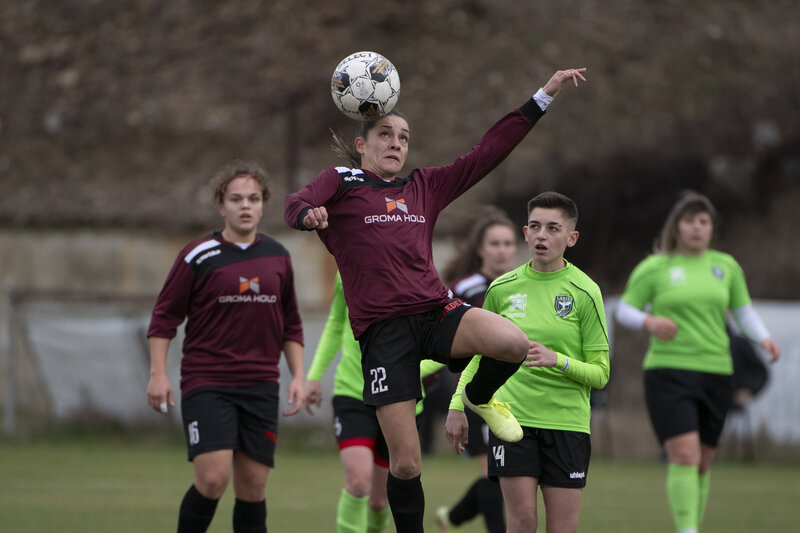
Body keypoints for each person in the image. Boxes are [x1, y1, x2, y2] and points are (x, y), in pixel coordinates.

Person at [284, 67, 586, 532]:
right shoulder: (341, 183)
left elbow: (487, 153)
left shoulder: (422, 186)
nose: (396, 143)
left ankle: (480, 397)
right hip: (384, 333)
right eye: (386, 134)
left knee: (512, 342)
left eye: (404, 137)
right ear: (362, 144)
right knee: (406, 464)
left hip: (435, 312)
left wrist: (542, 97)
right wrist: (308, 214)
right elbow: (295, 203)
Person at [147, 160, 306, 533]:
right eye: (236, 199)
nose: (245, 206)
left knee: (253, 487)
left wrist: (299, 376)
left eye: (253, 198)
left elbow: (291, 323)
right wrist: (157, 374)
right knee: (213, 479)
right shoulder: (198, 255)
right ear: (221, 205)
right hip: (208, 383)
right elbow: (164, 317)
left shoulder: (278, 257)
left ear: (263, 204)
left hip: (261, 386)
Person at [614, 190, 781, 533]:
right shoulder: (655, 267)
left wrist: (763, 337)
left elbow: (744, 312)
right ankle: (687, 530)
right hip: (668, 372)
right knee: (684, 456)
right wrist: (649, 321)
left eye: (703, 221)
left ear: (712, 227)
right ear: (677, 226)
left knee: (702, 464)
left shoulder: (726, 266)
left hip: (717, 372)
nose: (696, 227)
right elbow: (625, 309)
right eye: (689, 220)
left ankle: (692, 526)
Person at [445, 191, 610, 533]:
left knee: (562, 528)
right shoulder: (502, 288)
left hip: (567, 424)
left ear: (571, 237)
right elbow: (479, 355)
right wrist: (457, 405)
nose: (541, 235)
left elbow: (601, 374)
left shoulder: (585, 291)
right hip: (513, 420)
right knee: (522, 522)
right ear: (525, 232)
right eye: (535, 227)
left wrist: (558, 360)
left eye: (553, 228)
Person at [304, 271, 445, 533]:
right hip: (352, 393)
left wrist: (408, 371)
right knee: (358, 483)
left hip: (399, 397)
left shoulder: (416, 271)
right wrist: (313, 376)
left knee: (380, 502)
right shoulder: (347, 270)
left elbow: (443, 338)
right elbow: (335, 324)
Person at [436, 207, 519, 533]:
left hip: (517, 391)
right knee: (493, 473)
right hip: (476, 392)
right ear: (481, 248)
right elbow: (444, 336)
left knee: (503, 474)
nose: (502, 250)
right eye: (495, 243)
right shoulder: (464, 289)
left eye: (508, 243)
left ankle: (451, 518)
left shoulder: (521, 284)